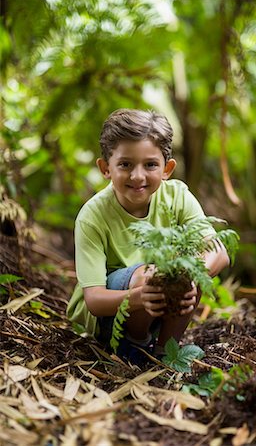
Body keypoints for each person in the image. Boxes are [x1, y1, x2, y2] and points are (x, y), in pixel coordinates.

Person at [67, 108, 230, 365]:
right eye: (125, 164)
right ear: (105, 168)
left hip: (156, 307)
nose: (138, 176)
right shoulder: (93, 216)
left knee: (187, 272)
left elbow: (218, 252)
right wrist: (138, 297)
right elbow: (94, 300)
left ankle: (166, 353)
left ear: (167, 169)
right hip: (107, 320)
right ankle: (136, 347)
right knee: (151, 274)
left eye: (150, 164)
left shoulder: (177, 196)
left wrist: (189, 276)